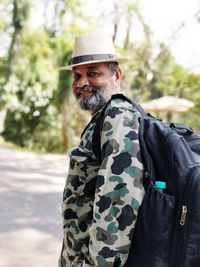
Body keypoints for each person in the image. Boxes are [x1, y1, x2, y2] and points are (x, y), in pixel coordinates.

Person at [59, 30, 145, 267]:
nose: (82, 82)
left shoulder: (119, 117)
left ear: (116, 75)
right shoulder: (103, 117)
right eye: (77, 75)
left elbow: (117, 207)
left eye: (93, 73)